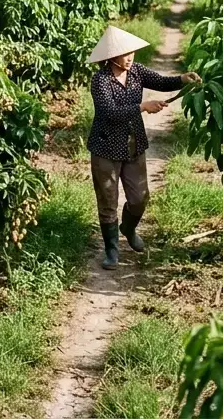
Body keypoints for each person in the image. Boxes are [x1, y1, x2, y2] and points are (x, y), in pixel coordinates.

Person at [86, 25, 200, 269]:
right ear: (111, 56)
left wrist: (183, 79)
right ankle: (111, 250)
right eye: (124, 54)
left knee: (140, 198)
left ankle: (128, 228)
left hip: (133, 144)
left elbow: (160, 81)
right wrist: (142, 107)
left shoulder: (136, 71)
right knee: (108, 200)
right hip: (106, 147)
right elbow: (109, 112)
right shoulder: (100, 80)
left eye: (132, 53)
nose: (130, 58)